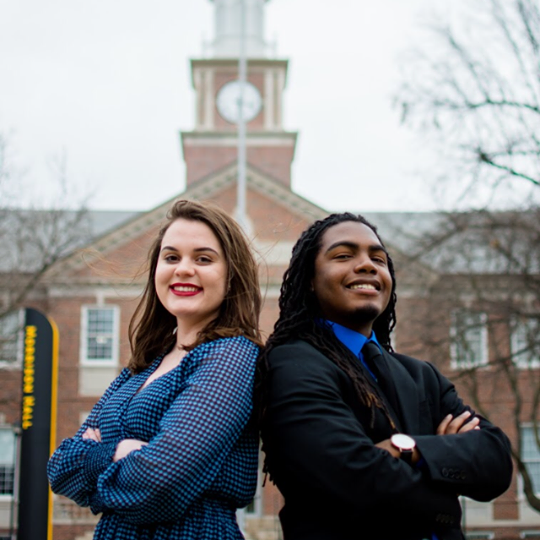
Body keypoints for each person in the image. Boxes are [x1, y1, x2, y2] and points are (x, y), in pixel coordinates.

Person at [257, 212, 513, 540]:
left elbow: (496, 459)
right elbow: (355, 478)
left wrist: (405, 448)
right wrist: (447, 487)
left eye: (378, 258)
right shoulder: (290, 363)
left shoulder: (422, 376)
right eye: (344, 255)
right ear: (309, 278)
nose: (367, 265)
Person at [48, 199, 262, 540]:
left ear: (231, 275)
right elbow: (60, 467)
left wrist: (98, 460)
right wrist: (120, 452)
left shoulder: (231, 356)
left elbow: (160, 481)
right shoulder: (145, 363)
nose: (183, 269)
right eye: (171, 257)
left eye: (203, 259)